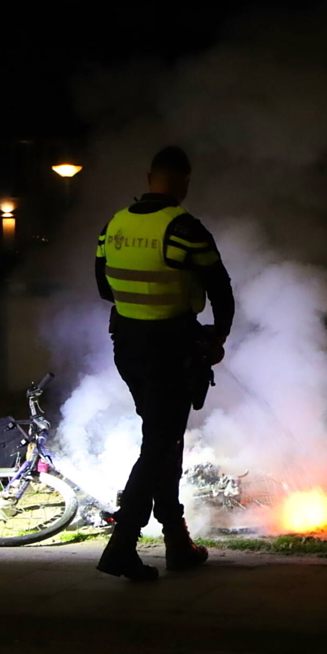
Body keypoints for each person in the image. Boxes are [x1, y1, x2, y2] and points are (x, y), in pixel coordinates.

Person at [94, 146, 235, 581]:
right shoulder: (184, 229)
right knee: (159, 444)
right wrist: (217, 335)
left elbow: (104, 289)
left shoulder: (113, 225)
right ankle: (122, 546)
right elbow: (221, 291)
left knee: (164, 438)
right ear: (184, 181)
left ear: (149, 176)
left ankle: (176, 541)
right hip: (171, 349)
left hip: (128, 347)